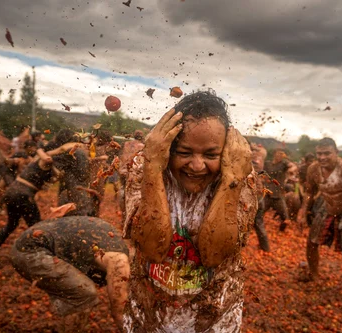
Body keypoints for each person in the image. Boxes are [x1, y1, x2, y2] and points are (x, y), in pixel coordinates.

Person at [122, 91, 257, 332]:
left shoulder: (241, 175)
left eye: (211, 155)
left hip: (213, 318)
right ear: (168, 148)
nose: (196, 166)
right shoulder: (145, 168)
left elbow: (214, 255)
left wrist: (232, 181)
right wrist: (153, 168)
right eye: (184, 153)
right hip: (147, 315)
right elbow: (152, 249)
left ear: (226, 152)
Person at [10, 216, 130, 331]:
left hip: (31, 241)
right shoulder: (119, 259)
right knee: (84, 293)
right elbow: (119, 312)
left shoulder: (115, 239)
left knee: (79, 289)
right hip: (30, 251)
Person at [0, 142, 79, 260]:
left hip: (12, 192)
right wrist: (52, 152)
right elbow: (49, 156)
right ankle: (41, 255)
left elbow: (47, 182)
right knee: (37, 227)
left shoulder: (49, 165)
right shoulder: (44, 158)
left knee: (11, 225)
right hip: (22, 195)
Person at [297, 137, 342, 294]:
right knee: (311, 242)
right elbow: (309, 191)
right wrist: (302, 211)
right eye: (319, 153)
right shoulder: (313, 169)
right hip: (326, 207)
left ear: (336, 153)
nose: (322, 157)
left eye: (327, 153)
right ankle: (314, 275)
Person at [263, 149, 297, 231]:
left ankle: (282, 230)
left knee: (285, 218)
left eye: (282, 154)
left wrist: (292, 169)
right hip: (268, 194)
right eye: (279, 154)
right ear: (275, 154)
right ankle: (254, 228)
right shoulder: (268, 164)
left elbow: (293, 166)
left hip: (278, 195)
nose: (280, 156)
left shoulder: (283, 164)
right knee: (258, 213)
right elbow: (263, 174)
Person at [251, 142, 270, 251]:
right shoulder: (256, 161)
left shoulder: (257, 160)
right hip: (257, 196)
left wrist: (254, 148)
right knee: (258, 224)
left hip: (256, 198)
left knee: (258, 223)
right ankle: (265, 248)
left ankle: (265, 248)